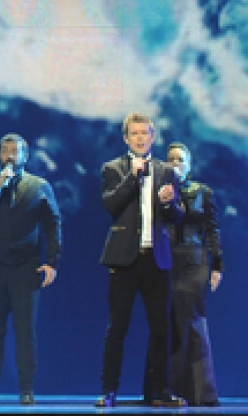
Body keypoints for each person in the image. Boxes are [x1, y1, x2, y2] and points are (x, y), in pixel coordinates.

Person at [95, 112, 187, 408]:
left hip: (156, 259)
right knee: (117, 327)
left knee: (161, 328)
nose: (139, 138)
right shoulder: (113, 168)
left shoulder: (166, 171)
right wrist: (132, 178)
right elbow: (110, 204)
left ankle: (158, 390)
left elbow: (177, 216)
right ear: (126, 138)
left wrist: (169, 203)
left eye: (144, 133)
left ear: (153, 137)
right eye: (134, 134)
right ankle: (109, 390)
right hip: (124, 259)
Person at [0, 133, 61, 406]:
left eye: (16, 150)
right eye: (6, 150)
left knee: (25, 332)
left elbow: (53, 223)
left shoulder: (40, 186)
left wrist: (52, 261)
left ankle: (26, 390)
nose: (11, 155)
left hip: (26, 269)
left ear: (26, 155)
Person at [142, 142, 223, 406]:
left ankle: (200, 392)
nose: (176, 163)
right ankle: (163, 390)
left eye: (180, 159)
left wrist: (217, 265)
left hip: (193, 260)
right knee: (164, 323)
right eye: (171, 159)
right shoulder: (157, 191)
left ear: (189, 163)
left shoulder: (203, 191)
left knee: (192, 320)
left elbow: (212, 229)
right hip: (165, 259)